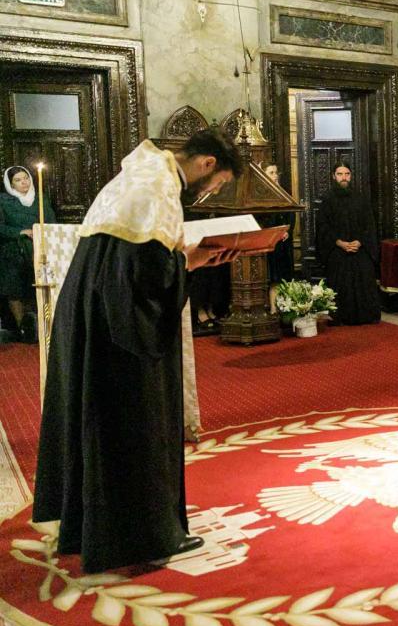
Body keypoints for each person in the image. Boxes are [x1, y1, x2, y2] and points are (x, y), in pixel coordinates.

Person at [33, 130, 243, 573]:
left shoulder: (140, 175)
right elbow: (149, 278)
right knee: (136, 418)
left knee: (101, 418)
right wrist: (190, 262)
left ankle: (92, 524)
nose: (211, 191)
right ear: (206, 164)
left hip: (94, 310)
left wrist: (179, 262)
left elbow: (130, 262)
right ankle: (140, 536)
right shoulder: (159, 187)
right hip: (121, 327)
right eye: (218, 182)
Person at [316, 163, 380, 325]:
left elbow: (370, 225)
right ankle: (340, 317)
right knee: (339, 270)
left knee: (364, 269)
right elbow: (323, 227)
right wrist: (340, 243)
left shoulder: (361, 198)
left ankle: (365, 316)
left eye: (347, 174)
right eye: (340, 174)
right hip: (337, 248)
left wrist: (359, 241)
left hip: (360, 247)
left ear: (351, 176)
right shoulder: (327, 200)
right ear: (333, 176)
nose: (343, 177)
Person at [1, 166, 55, 343]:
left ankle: (40, 327)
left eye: (26, 178)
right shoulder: (4, 201)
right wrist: (20, 232)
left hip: (39, 249)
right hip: (14, 252)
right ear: (10, 184)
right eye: (18, 180)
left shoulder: (40, 198)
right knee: (15, 290)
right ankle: (22, 329)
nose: (24, 182)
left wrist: (42, 231)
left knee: (37, 287)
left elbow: (51, 222)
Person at [261, 162, 295, 313]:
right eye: (271, 172)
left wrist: (288, 230)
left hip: (284, 244)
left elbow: (291, 213)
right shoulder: (260, 195)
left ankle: (284, 310)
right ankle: (274, 310)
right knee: (273, 279)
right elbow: (262, 219)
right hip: (269, 243)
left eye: (276, 172)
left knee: (283, 278)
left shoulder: (284, 193)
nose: (275, 176)